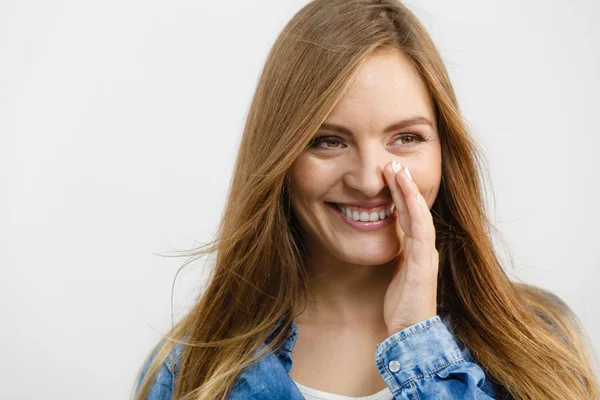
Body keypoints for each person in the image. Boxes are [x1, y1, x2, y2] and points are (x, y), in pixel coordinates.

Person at [133, 0, 600, 399]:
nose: (370, 181)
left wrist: (418, 339)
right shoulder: (190, 372)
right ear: (281, 155)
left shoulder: (540, 341)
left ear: (445, 150)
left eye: (406, 138)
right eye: (328, 141)